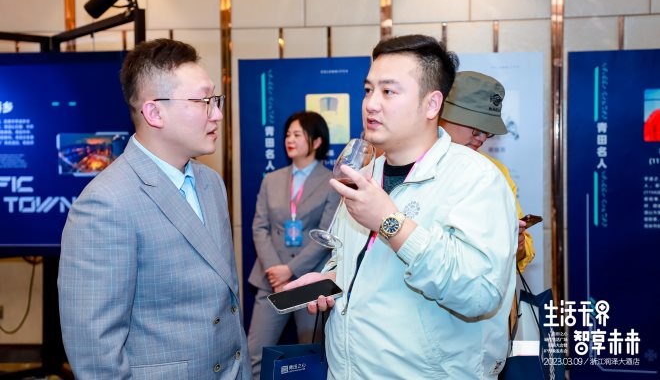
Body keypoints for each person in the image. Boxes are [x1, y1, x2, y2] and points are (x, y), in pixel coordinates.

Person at [285, 34, 518, 379]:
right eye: (368, 90)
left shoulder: (476, 179)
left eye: (388, 91)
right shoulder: (367, 174)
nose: (371, 104)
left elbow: (479, 293)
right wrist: (330, 279)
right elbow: (356, 261)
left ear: (432, 104)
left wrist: (390, 222)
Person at [58, 38, 250, 379]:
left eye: (215, 100)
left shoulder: (210, 183)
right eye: (203, 101)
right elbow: (95, 352)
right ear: (154, 112)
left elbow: (227, 303)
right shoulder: (107, 202)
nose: (218, 114)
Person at [246, 111, 340, 379]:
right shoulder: (271, 180)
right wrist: (276, 271)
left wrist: (290, 270)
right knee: (254, 353)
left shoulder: (332, 183)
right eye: (288, 134)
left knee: (311, 356)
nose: (290, 139)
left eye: (298, 134)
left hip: (310, 282)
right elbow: (260, 227)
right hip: (271, 280)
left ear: (317, 141)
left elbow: (326, 234)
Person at [439, 71, 535, 272]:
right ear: (442, 113)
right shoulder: (409, 162)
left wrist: (517, 246)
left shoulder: (495, 171)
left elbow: (525, 248)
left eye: (487, 132)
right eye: (476, 129)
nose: (482, 138)